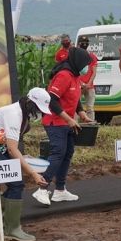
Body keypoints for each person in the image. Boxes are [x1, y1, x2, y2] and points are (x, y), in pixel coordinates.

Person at [0, 87, 50, 241]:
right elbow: (13, 149)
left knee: (15, 182)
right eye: (38, 109)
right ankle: (12, 229)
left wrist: (23, 159)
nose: (39, 114)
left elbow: (11, 147)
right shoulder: (14, 114)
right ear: (30, 102)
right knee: (16, 183)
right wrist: (33, 173)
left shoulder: (23, 115)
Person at [32, 47, 93, 206]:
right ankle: (42, 188)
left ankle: (60, 190)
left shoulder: (75, 76)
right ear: (77, 62)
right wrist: (68, 119)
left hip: (67, 123)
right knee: (58, 152)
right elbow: (51, 100)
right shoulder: (64, 76)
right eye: (86, 64)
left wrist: (81, 114)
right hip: (55, 122)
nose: (87, 67)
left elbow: (75, 97)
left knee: (68, 153)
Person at [78, 36, 98, 121]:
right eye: (83, 42)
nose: (84, 44)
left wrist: (89, 83)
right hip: (78, 86)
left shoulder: (92, 56)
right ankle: (75, 124)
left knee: (90, 108)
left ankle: (91, 125)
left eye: (86, 42)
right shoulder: (76, 56)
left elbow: (94, 72)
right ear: (79, 44)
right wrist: (81, 83)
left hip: (90, 86)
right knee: (76, 106)